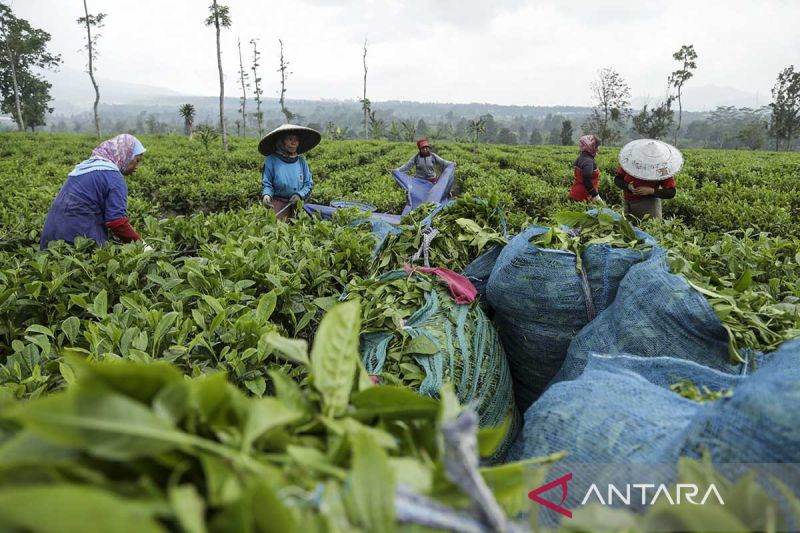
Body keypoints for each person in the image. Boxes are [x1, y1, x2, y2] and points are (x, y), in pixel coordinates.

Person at [40, 134, 147, 250]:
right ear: (125, 155)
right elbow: (117, 222)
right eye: (137, 160)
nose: (137, 166)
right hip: (76, 242)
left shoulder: (85, 168)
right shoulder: (114, 178)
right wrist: (143, 247)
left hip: (50, 238)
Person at [259, 124, 321, 220]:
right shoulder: (271, 161)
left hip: (298, 203)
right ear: (282, 141)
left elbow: (308, 184)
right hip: (278, 203)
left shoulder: (301, 162)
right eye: (290, 139)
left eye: (296, 139)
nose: (294, 143)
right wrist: (267, 195)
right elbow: (267, 184)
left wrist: (299, 195)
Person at [614, 139, 682, 220]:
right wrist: (628, 186)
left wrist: (651, 191)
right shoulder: (632, 162)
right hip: (628, 202)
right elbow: (618, 179)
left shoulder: (662, 168)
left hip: (649, 206)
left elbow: (671, 192)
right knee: (628, 229)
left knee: (648, 230)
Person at [569, 134, 602, 203]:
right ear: (590, 146)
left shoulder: (581, 158)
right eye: (596, 146)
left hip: (575, 193)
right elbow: (586, 178)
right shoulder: (588, 161)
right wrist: (595, 195)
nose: (598, 149)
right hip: (583, 197)